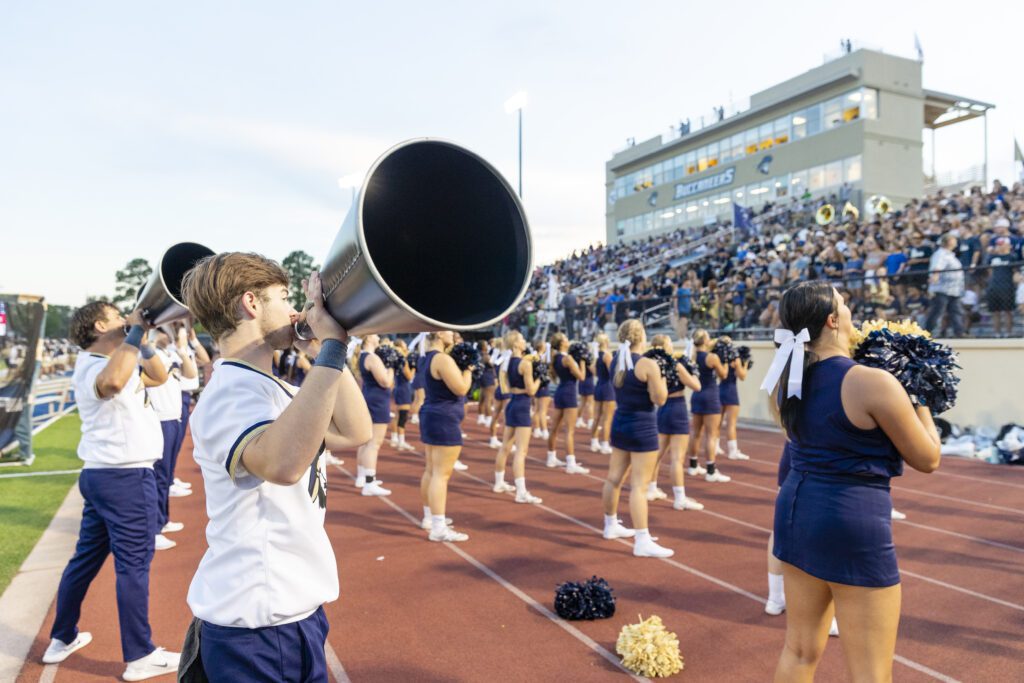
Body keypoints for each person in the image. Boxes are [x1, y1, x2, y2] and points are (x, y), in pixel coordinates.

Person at [179, 256, 370, 682]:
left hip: (291, 612)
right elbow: (282, 465)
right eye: (284, 298)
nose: (295, 310)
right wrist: (332, 346)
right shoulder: (230, 391)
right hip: (256, 623)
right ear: (251, 303)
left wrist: (323, 350)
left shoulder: (277, 387)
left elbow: (356, 431)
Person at [767, 281, 941, 682]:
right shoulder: (870, 381)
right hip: (851, 520)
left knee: (799, 650)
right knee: (871, 673)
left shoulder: (788, 379)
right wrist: (920, 397)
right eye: (843, 304)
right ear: (832, 320)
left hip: (794, 511)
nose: (850, 310)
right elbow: (928, 458)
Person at [44, 301, 178, 680]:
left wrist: (142, 339)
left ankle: (62, 637)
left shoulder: (119, 359)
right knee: (133, 565)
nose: (124, 318)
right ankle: (140, 655)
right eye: (117, 316)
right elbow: (113, 383)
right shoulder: (94, 366)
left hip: (106, 477)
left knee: (84, 561)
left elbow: (159, 377)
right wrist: (133, 332)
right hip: (124, 478)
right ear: (100, 326)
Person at [600, 319, 673, 558]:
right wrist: (663, 374)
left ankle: (610, 525)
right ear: (642, 336)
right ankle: (642, 540)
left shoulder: (615, 361)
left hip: (620, 423)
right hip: (642, 427)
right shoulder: (647, 364)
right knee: (639, 486)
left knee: (613, 479)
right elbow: (660, 399)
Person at [418, 331, 473, 541]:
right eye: (449, 330)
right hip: (444, 418)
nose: (453, 334)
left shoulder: (426, 357)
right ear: (440, 333)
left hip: (432, 415)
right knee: (441, 475)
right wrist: (468, 369)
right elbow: (461, 388)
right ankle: (438, 528)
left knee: (431, 471)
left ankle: (429, 518)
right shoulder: (442, 358)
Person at [148, 325, 198, 551]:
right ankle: (154, 529)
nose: (168, 334)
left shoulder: (170, 353)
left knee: (166, 474)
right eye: (163, 330)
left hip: (172, 416)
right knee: (159, 476)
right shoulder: (150, 354)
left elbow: (191, 373)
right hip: (159, 418)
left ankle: (162, 520)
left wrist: (181, 348)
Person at [646, 335, 703, 511]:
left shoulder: (652, 365)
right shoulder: (675, 364)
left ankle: (651, 488)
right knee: (677, 458)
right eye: (670, 343)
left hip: (661, 409)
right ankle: (680, 498)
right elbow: (696, 386)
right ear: (666, 346)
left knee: (657, 454)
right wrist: (693, 371)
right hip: (677, 408)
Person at [493, 330, 543, 504]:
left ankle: (499, 482)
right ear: (515, 344)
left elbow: (506, 386)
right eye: (522, 339)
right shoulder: (525, 364)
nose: (524, 341)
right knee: (521, 451)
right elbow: (531, 390)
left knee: (505, 447)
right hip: (522, 405)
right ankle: (521, 492)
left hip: (512, 403)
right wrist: (540, 378)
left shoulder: (507, 362)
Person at [686, 330, 730, 483]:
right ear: (705, 340)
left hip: (696, 395)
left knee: (695, 432)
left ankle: (693, 466)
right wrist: (726, 359)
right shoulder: (711, 357)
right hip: (710, 396)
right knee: (711, 435)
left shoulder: (691, 356)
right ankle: (711, 471)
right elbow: (723, 375)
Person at [354, 334, 394, 496]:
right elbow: (385, 382)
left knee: (366, 442)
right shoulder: (371, 357)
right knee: (374, 443)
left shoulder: (363, 355)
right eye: (375, 335)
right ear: (368, 338)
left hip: (371, 398)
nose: (378, 337)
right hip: (378, 402)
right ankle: (369, 482)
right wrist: (392, 367)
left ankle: (362, 476)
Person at [546, 332, 589, 474]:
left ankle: (551, 458)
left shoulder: (556, 358)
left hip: (559, 393)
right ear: (561, 343)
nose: (567, 340)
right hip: (569, 394)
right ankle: (571, 464)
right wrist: (582, 361)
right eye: (565, 339)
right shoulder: (568, 358)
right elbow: (581, 376)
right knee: (569, 431)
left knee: (554, 429)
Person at [923, 233, 966, 337]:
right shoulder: (941, 254)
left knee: (956, 311)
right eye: (954, 240)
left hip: (954, 289)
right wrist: (934, 277)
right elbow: (937, 267)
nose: (956, 242)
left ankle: (959, 332)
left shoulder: (951, 255)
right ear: (949, 242)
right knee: (937, 311)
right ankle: (926, 333)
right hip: (941, 288)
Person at [718, 336, 750, 461]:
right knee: (731, 424)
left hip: (720, 390)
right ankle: (732, 451)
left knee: (718, 422)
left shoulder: (718, 357)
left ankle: (715, 446)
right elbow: (742, 376)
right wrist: (745, 364)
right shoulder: (734, 358)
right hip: (731, 391)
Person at [589, 333, 615, 455]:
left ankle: (594, 441)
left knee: (597, 417)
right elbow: (612, 373)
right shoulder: (607, 355)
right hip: (607, 387)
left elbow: (594, 372)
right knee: (607, 418)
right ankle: (605, 444)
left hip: (599, 385)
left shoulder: (597, 356)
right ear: (606, 342)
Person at [388, 339, 416, 452]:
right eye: (404, 344)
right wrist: (414, 368)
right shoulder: (402, 359)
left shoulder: (395, 358)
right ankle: (401, 441)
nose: (406, 346)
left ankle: (394, 438)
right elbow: (409, 376)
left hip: (398, 387)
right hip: (404, 389)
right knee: (403, 416)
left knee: (398, 415)